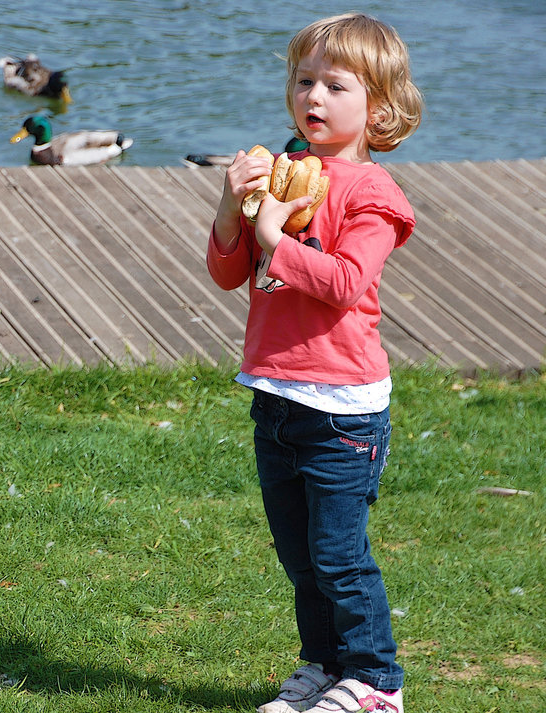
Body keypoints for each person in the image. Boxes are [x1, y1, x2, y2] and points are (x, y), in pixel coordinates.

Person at [205, 13, 423, 713]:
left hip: (343, 410)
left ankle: (376, 681)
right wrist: (234, 207)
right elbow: (226, 271)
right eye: (304, 81)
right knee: (301, 556)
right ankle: (325, 664)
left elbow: (343, 282)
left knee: (339, 553)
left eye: (336, 85)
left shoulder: (372, 196)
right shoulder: (284, 171)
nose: (314, 97)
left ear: (378, 109)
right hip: (276, 396)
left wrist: (274, 234)